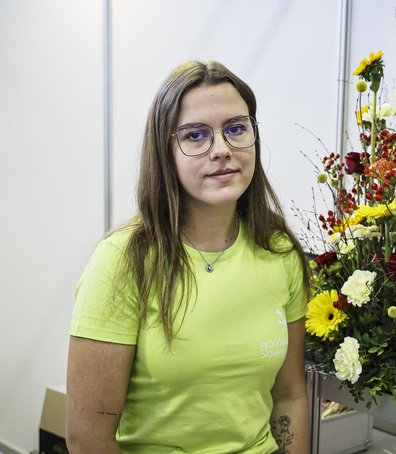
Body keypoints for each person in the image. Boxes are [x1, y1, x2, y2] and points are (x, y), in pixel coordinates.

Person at [66, 60, 311, 453]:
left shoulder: (278, 252)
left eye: (236, 129)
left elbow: (290, 397)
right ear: (166, 152)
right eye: (196, 135)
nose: (221, 150)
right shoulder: (122, 261)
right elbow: (88, 439)